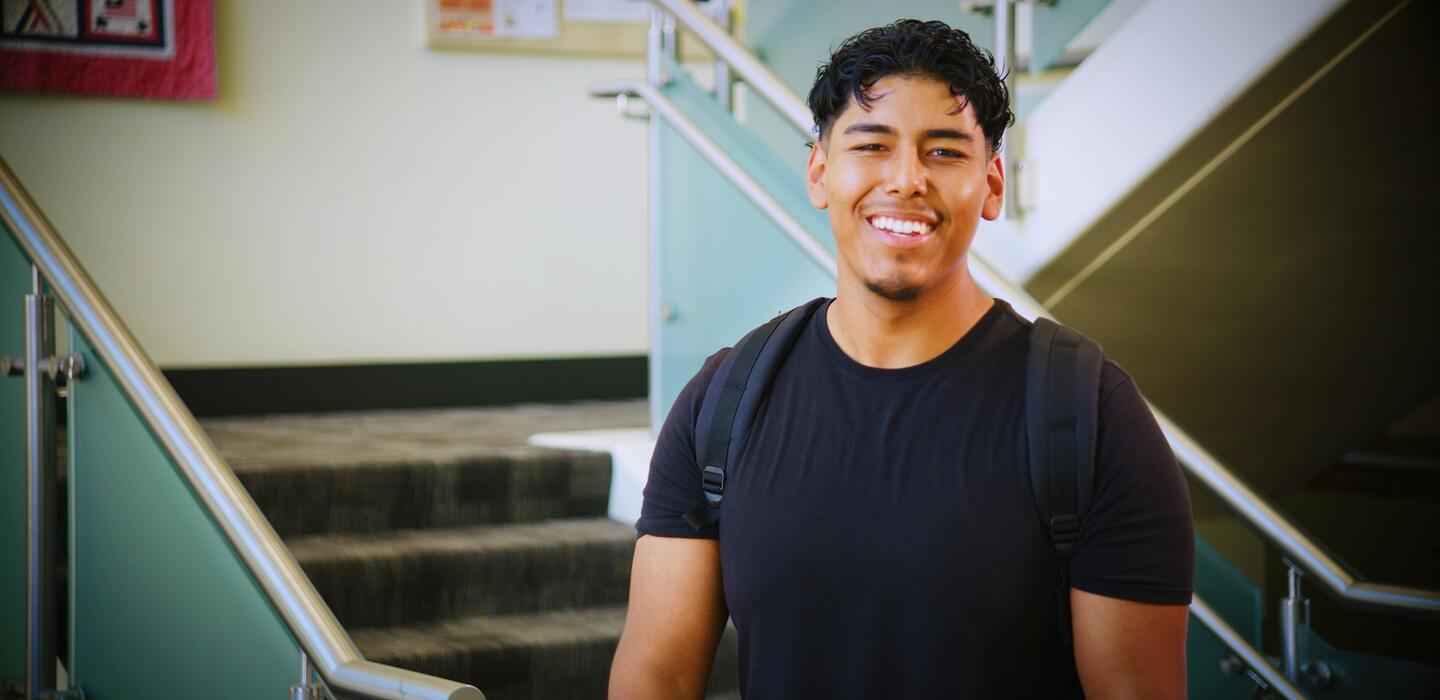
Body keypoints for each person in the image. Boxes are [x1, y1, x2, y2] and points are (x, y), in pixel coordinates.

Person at [610, 18, 1195, 699]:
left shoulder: (1088, 413)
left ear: (994, 183)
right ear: (821, 172)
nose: (907, 179)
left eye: (945, 152)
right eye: (873, 145)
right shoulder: (725, 402)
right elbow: (657, 674)